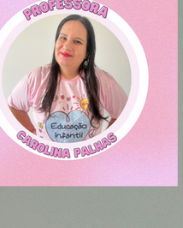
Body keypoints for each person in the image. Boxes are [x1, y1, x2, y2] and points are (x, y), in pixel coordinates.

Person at [8, 14, 127, 144]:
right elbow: (13, 107)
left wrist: (103, 143)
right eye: (63, 38)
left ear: (87, 52)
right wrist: (31, 131)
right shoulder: (36, 78)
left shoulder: (102, 81)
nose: (66, 46)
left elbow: (126, 113)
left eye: (77, 41)